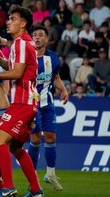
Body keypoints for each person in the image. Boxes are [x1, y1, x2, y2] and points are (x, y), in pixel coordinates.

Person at [0, 6, 43, 197]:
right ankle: (36, 190)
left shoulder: (21, 43)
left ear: (22, 24)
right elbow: (14, 67)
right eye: (8, 18)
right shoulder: (22, 43)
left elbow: (16, 73)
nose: (8, 22)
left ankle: (7, 187)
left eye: (12, 19)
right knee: (15, 147)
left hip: (22, 102)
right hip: (27, 101)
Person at [27, 26, 69, 193]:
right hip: (31, 104)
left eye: (41, 35)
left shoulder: (53, 58)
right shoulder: (26, 57)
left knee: (51, 137)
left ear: (47, 39)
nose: (37, 37)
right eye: (34, 35)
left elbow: (56, 78)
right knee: (35, 139)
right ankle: (33, 177)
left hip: (48, 103)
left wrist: (63, 89)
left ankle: (50, 174)